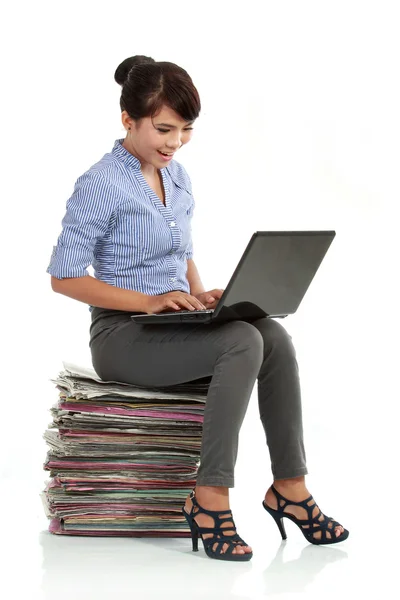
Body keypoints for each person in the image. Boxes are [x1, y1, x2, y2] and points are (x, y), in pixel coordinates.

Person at [47, 55, 349, 562]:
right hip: (123, 337)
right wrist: (148, 301)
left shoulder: (179, 177)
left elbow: (178, 253)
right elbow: (64, 277)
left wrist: (207, 297)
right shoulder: (100, 183)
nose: (175, 142)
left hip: (173, 323)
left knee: (269, 334)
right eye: (164, 129)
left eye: (186, 130)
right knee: (241, 341)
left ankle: (289, 487)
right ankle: (209, 499)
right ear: (128, 119)